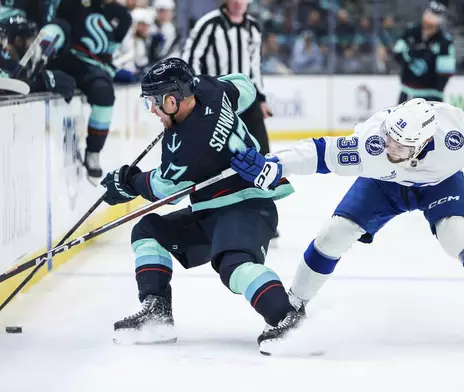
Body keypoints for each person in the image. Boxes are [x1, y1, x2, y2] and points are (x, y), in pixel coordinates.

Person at [231, 98, 464, 353]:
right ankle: (295, 305)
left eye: (399, 145)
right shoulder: (373, 145)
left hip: (439, 183)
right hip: (383, 185)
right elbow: (321, 152)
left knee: (458, 235)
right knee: (333, 235)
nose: (388, 146)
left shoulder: (455, 140)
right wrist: (275, 164)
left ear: (422, 144)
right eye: (388, 138)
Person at [99, 58, 302, 353]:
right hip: (212, 209)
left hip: (246, 205)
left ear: (172, 99)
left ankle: (287, 318)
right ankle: (157, 314)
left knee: (233, 264)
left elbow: (167, 188)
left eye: (154, 103)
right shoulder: (209, 88)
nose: (153, 110)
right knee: (149, 231)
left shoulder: (188, 146)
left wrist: (128, 183)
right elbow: (244, 87)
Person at [35, 0, 132, 183]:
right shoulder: (75, 4)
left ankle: (94, 151)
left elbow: (110, 50)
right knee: (57, 29)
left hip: (94, 68)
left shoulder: (122, 16)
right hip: (64, 60)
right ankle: (37, 56)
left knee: (105, 95)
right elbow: (58, 22)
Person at [182, 0, 273, 157]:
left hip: (247, 95)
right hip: (217, 96)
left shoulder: (253, 27)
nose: (238, 3)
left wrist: (261, 98)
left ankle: (264, 179)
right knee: (218, 151)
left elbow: (255, 66)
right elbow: (191, 58)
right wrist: (198, 90)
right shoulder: (209, 24)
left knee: (262, 149)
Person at [391, 1, 454, 103]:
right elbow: (397, 52)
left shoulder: (445, 41)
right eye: (428, 14)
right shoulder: (411, 32)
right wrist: (410, 64)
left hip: (431, 95)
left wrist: (436, 92)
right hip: (407, 91)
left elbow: (445, 72)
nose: (428, 19)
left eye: (434, 16)